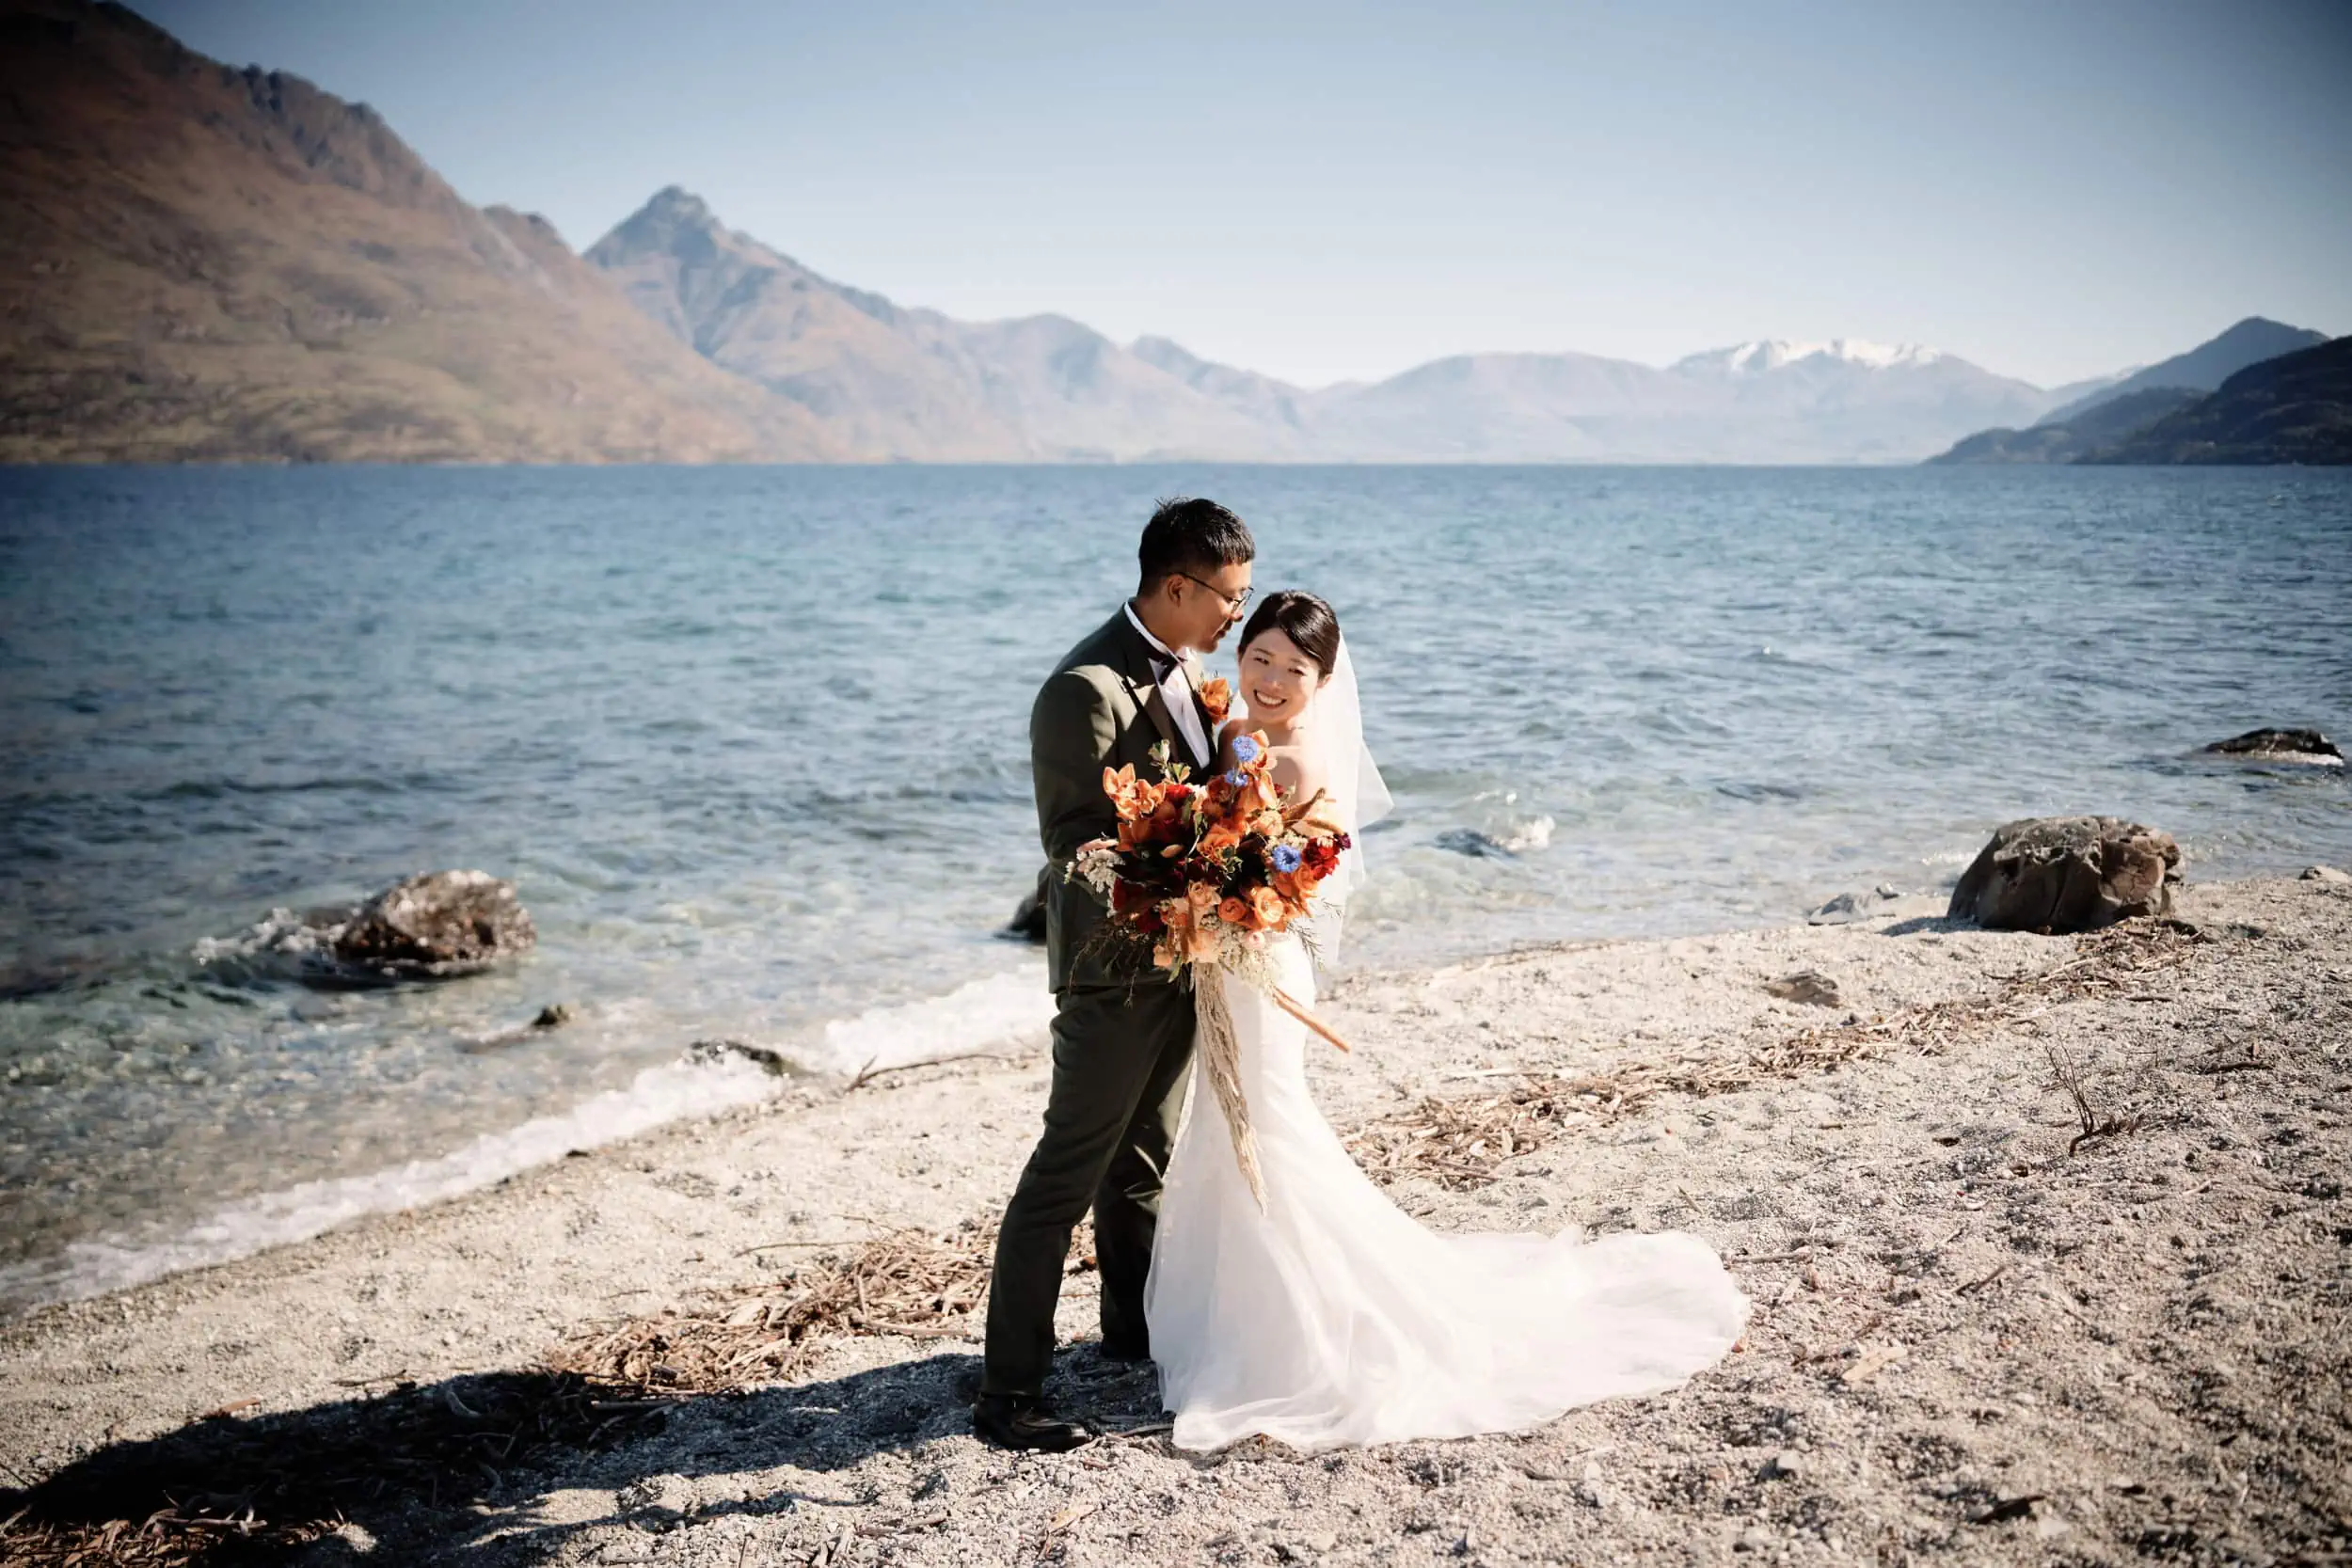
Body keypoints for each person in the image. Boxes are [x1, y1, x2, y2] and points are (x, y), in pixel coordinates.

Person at [1143, 590, 1751, 1451]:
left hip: (1262, 965)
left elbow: (1284, 884)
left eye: (1296, 669)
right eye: (1262, 657)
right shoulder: (1238, 731)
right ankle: (1226, 1316)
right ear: (1242, 655)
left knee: (1270, 1127)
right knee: (1224, 1120)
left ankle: (1294, 1331)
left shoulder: (1301, 764)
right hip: (1226, 961)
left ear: (1324, 680)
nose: (1273, 679)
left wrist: (1215, 901)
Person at [972, 497, 1255, 1452]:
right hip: (1110, 972)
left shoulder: (1189, 668)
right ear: (1176, 586)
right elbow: (1072, 846)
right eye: (1227, 597)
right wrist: (1183, 863)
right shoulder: (1083, 688)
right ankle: (1008, 1389)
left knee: (1143, 1163)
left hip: (1186, 957)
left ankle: (1131, 1339)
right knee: (1064, 1175)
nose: (1235, 618)